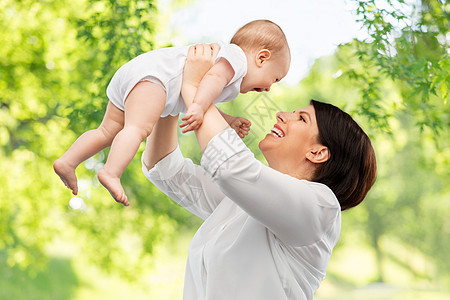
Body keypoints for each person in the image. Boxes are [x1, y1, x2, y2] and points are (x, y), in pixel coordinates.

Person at [141, 44, 377, 299]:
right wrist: (173, 90)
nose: (281, 114)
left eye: (301, 119)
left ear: (318, 153)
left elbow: (232, 167)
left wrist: (193, 87)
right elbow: (166, 169)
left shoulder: (320, 208)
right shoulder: (243, 204)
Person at [53, 20, 291, 206]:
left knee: (106, 131)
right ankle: (111, 172)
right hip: (156, 79)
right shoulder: (237, 59)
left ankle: (68, 161)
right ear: (262, 57)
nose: (269, 88)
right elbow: (210, 81)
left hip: (137, 73)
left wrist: (228, 121)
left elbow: (200, 95)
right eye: (275, 78)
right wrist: (196, 107)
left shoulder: (229, 80)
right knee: (137, 129)